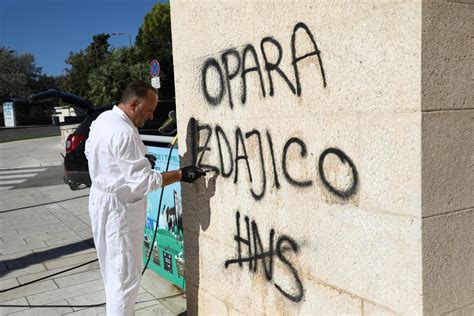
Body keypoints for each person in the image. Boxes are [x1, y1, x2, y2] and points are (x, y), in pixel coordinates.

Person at [85, 81, 205, 315]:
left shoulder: (103, 120)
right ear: (133, 104)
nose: (151, 116)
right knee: (125, 280)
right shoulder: (124, 132)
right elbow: (145, 182)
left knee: (113, 274)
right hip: (119, 209)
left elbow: (92, 151)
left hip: (101, 200)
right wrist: (181, 174)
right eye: (148, 110)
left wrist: (130, 165)